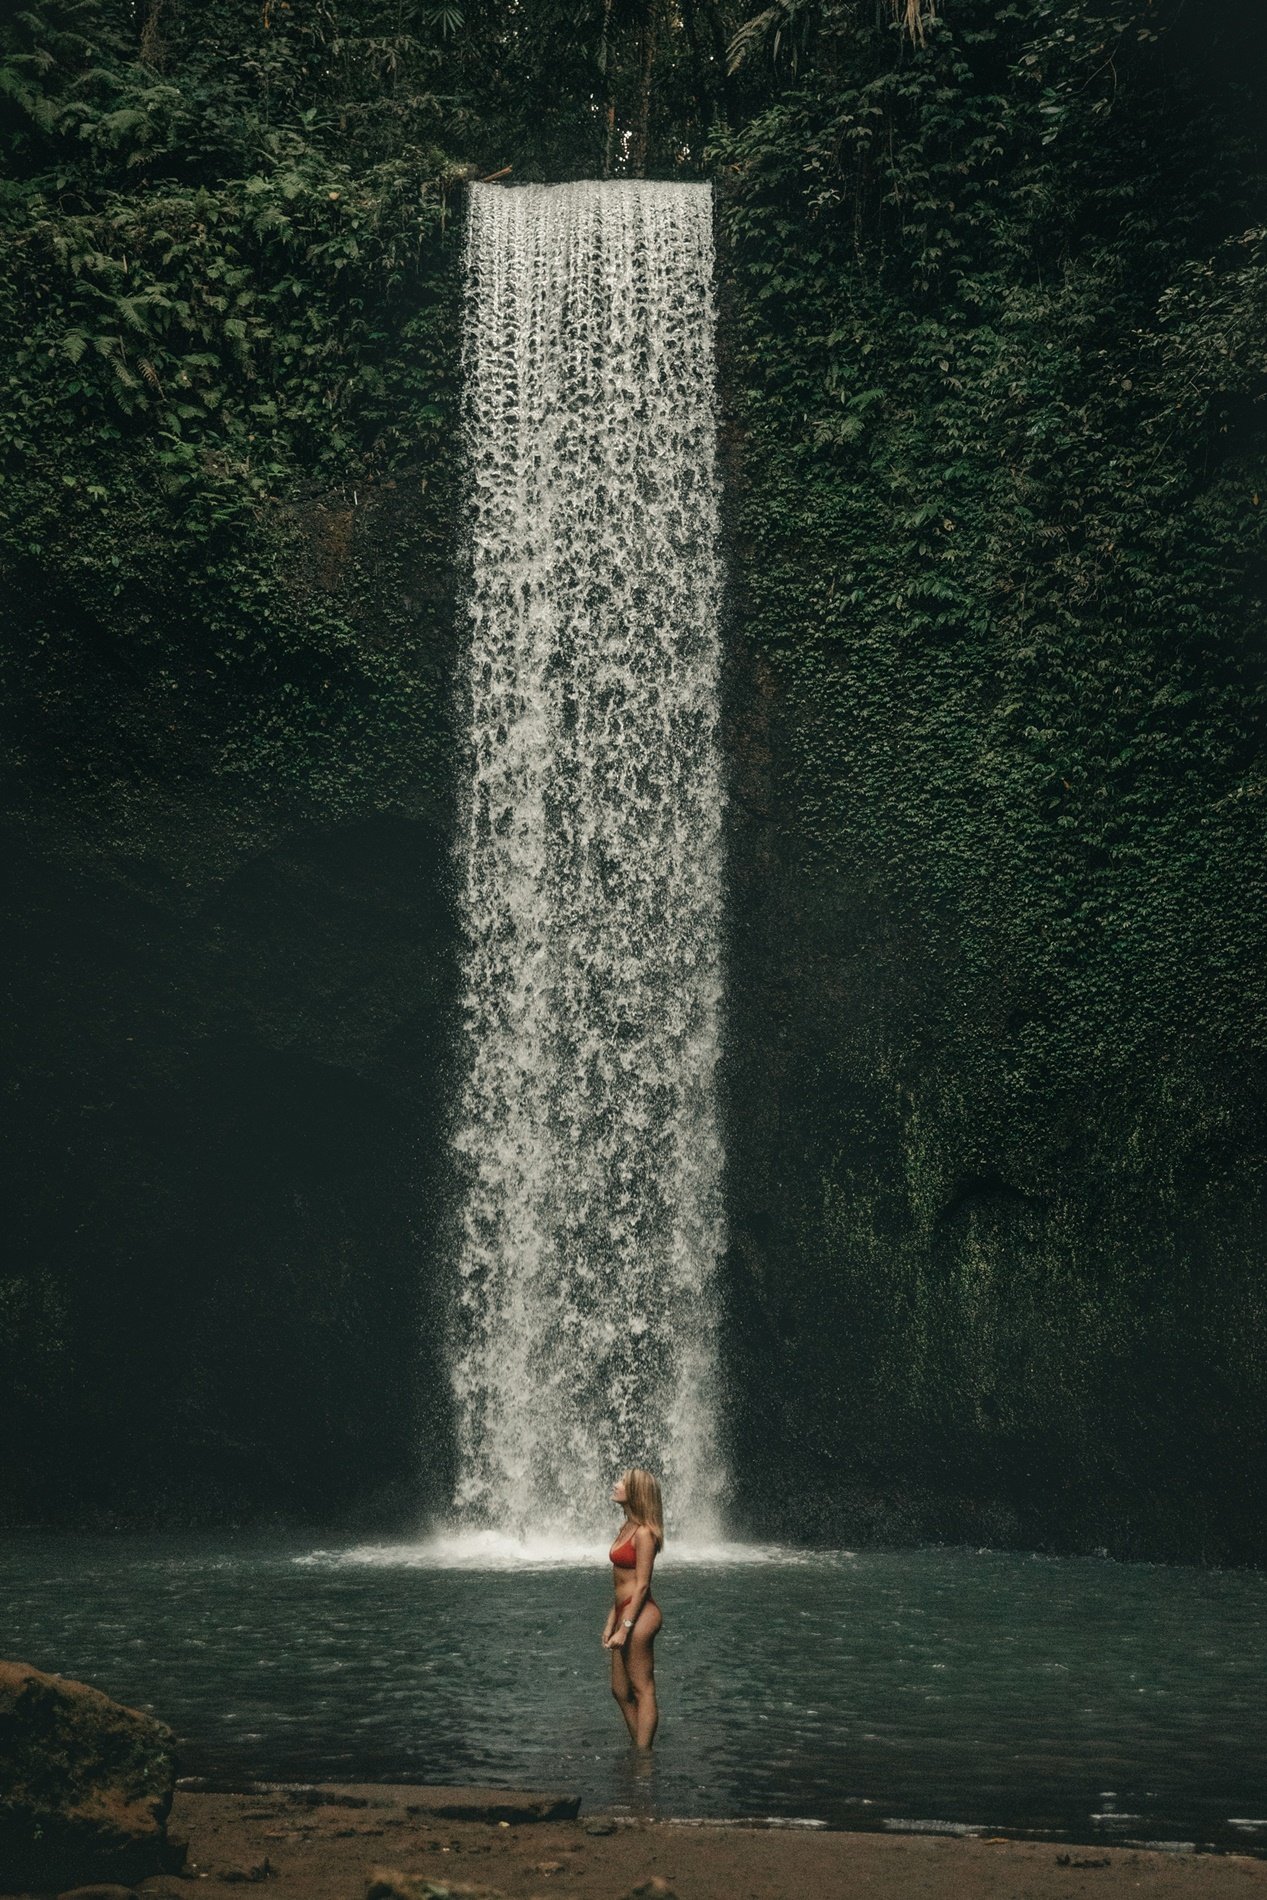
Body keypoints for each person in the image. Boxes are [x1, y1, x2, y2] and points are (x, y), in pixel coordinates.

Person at [601, 1467, 664, 1749]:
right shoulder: (626, 1527)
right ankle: (640, 1748)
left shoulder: (645, 1534)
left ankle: (643, 1757)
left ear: (636, 1493)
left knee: (642, 1688)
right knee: (619, 1690)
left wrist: (625, 1628)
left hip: (640, 1615)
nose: (615, 1485)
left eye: (622, 1483)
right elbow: (620, 1584)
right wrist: (611, 1619)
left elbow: (641, 1585)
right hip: (623, 1612)